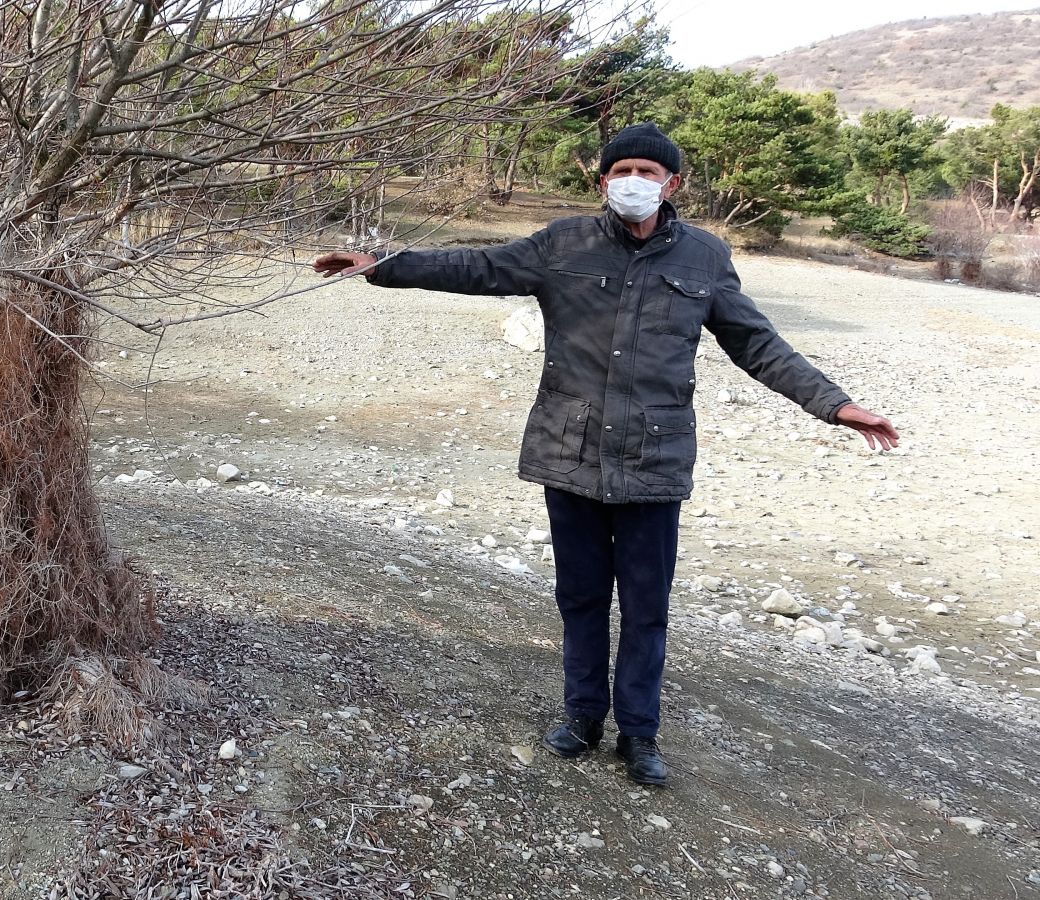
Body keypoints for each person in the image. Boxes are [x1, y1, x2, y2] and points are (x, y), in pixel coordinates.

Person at [312, 122, 898, 787]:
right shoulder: (563, 244)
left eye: (649, 172)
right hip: (571, 452)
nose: (635, 182)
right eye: (623, 172)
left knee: (647, 607)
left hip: (655, 463)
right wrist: (384, 267)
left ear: (672, 184)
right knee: (581, 597)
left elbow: (757, 344)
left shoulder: (705, 258)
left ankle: (639, 736)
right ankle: (583, 717)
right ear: (603, 182)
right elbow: (479, 266)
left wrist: (836, 404)